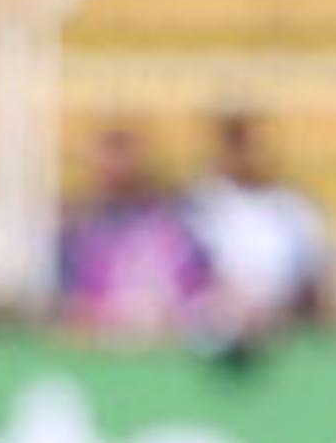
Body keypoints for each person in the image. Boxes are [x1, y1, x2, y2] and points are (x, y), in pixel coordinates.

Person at [186, 104, 335, 369]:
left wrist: (279, 315)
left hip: (282, 338)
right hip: (212, 336)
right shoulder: (199, 205)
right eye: (233, 142)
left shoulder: (294, 208)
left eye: (248, 142)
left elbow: (316, 285)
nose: (241, 154)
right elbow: (186, 277)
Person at [50, 117, 217, 347]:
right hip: (104, 350)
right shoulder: (78, 229)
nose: (118, 166)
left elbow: (203, 288)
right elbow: (66, 309)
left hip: (170, 347)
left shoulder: (175, 220)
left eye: (123, 154)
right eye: (109, 155)